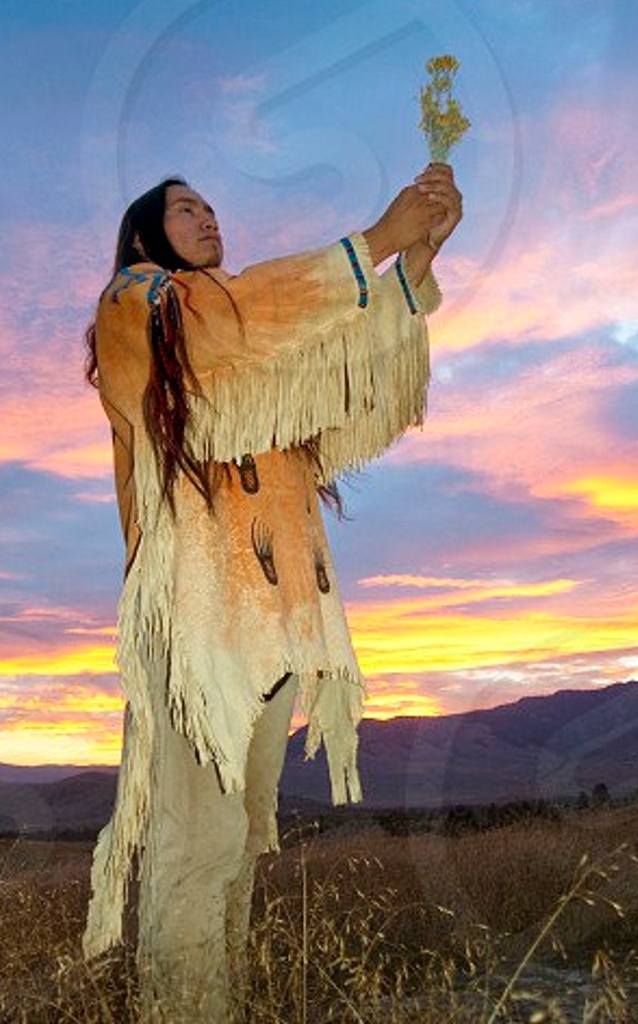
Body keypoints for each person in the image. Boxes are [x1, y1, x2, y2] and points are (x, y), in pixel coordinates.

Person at [81, 164, 462, 1020]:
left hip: (271, 624)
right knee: (196, 843)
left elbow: (332, 368)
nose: (208, 218)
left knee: (239, 843)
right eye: (186, 209)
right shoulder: (137, 304)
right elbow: (226, 323)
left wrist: (413, 263)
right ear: (146, 234)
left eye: (213, 208)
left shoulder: (252, 343)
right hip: (193, 624)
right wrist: (371, 245)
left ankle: (220, 1004)